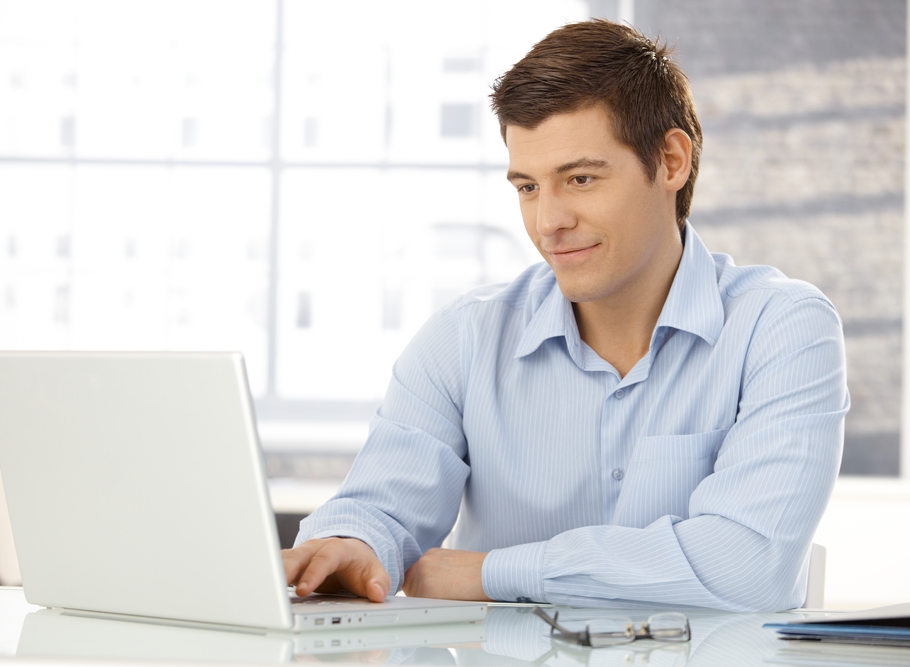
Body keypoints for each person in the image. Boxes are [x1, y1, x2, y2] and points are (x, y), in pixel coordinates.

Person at [282, 19, 848, 612]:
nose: (548, 222)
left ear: (672, 161)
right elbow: (380, 506)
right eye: (527, 187)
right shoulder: (467, 337)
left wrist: (496, 573)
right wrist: (350, 544)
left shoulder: (781, 329)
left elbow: (745, 565)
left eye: (579, 179)